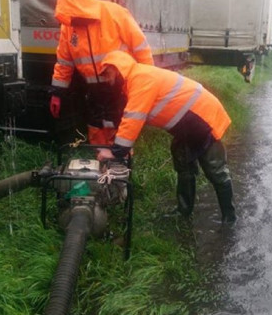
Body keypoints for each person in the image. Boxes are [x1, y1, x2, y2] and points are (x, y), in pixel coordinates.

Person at [96, 50, 237, 224]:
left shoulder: (141, 78)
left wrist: (117, 151)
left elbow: (133, 118)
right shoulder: (134, 81)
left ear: (117, 68)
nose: (108, 80)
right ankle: (184, 212)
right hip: (187, 125)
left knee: (215, 170)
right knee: (183, 164)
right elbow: (131, 119)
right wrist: (123, 146)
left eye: (108, 74)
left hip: (203, 118)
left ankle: (229, 217)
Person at [49, 0, 154, 145]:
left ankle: (120, 161)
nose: (73, 21)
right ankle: (100, 157)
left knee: (118, 122)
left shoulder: (114, 13)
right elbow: (64, 62)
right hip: (93, 89)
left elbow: (141, 48)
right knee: (96, 124)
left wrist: (148, 81)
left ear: (81, 7)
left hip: (119, 84)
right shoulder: (68, 26)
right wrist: (57, 93)